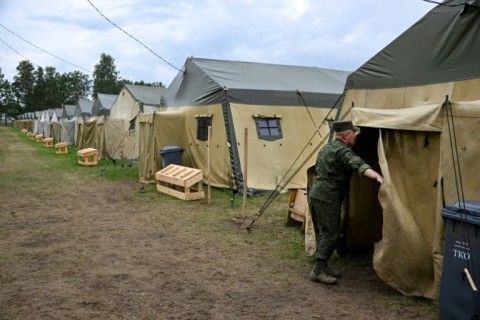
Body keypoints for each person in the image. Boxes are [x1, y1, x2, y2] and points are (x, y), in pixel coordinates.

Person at [308, 120, 384, 285]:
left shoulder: (327, 147)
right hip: (328, 196)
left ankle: (323, 264)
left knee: (326, 231)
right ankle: (318, 270)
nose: (355, 138)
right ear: (347, 135)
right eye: (354, 135)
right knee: (332, 233)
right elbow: (359, 165)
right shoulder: (342, 151)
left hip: (318, 193)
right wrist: (377, 176)